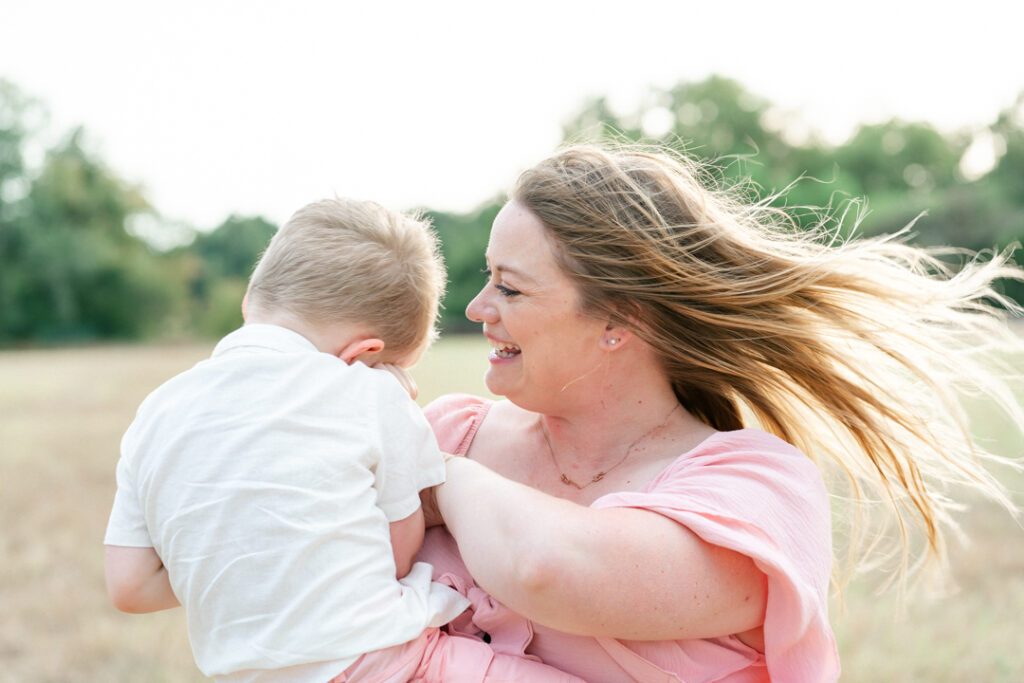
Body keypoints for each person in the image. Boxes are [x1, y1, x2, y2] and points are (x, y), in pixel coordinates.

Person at [416, 143, 1024, 682]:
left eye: (510, 287)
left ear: (619, 320)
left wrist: (438, 481)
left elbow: (546, 569)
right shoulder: (452, 430)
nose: (476, 308)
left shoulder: (756, 489)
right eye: (487, 279)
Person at [103, 198, 585, 682]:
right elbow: (396, 554)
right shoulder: (368, 390)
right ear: (364, 355)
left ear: (251, 298)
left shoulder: (156, 411)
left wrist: (240, 560)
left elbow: (130, 587)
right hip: (381, 661)